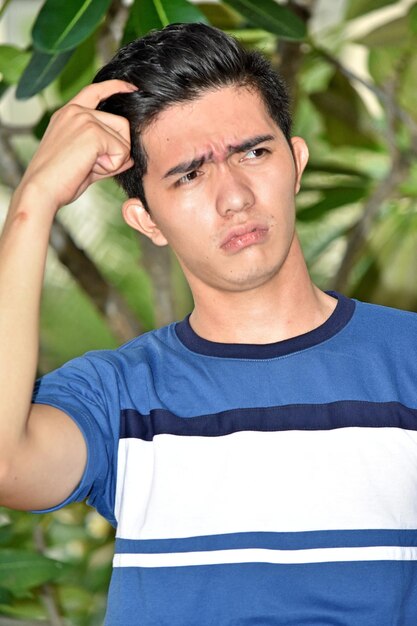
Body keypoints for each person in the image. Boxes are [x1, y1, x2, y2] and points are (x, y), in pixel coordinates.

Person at [1, 21, 417, 626]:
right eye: (190, 173)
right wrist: (32, 203)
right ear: (146, 220)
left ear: (295, 163)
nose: (235, 196)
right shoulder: (118, 396)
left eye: (253, 152)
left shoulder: (408, 359)